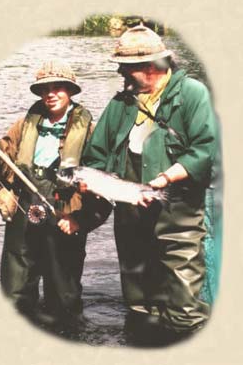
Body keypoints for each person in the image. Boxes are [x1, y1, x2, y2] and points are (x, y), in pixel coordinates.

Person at [82, 25, 222, 339]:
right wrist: (92, 182)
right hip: (130, 213)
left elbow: (205, 149)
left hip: (179, 209)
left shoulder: (192, 95)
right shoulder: (121, 104)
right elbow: (96, 155)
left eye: (125, 68)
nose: (120, 73)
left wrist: (166, 177)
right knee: (139, 300)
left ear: (150, 67)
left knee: (183, 299)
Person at [0, 59, 108, 329]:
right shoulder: (23, 125)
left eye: (59, 87)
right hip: (24, 214)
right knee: (15, 295)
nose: (51, 93)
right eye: (44, 88)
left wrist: (81, 221)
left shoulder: (91, 132)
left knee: (63, 299)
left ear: (71, 90)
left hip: (65, 217)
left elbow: (104, 189)